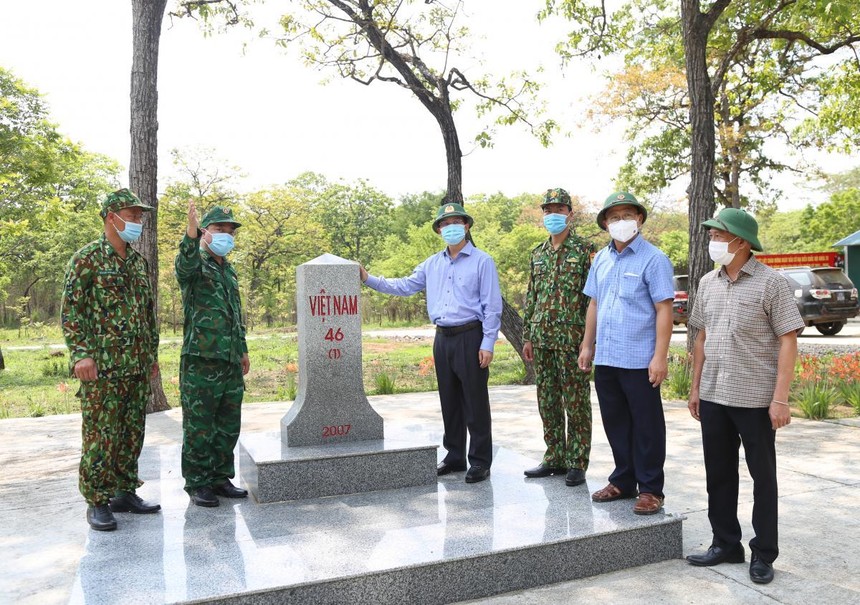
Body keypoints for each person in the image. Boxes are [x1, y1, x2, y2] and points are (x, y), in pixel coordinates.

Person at [686, 208, 803, 585]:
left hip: (755, 398)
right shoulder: (708, 282)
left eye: (719, 235)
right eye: (712, 236)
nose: (713, 242)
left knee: (762, 477)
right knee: (718, 474)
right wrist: (695, 388)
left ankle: (764, 553)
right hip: (715, 394)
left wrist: (780, 398)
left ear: (741, 241)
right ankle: (725, 543)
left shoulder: (772, 283)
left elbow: (788, 339)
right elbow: (701, 336)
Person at [359, 201, 502, 483]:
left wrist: (488, 343)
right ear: (439, 230)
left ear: (467, 226)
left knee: (475, 402)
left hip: (471, 336)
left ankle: (480, 461)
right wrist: (368, 279)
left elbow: (492, 306)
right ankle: (455, 456)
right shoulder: (432, 264)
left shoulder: (482, 261)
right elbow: (404, 285)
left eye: (456, 223)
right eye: (445, 225)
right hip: (443, 337)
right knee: (449, 401)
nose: (451, 228)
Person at [61, 188, 161, 531]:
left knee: (132, 432)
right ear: (110, 217)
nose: (137, 222)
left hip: (135, 365)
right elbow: (70, 309)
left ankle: (123, 491)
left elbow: (147, 314)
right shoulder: (87, 259)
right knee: (101, 436)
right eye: (132, 216)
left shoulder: (137, 262)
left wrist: (151, 355)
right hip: (101, 369)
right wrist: (81, 353)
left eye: (139, 217)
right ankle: (97, 500)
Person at [577, 191, 674, 515]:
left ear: (640, 219)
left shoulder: (654, 259)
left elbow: (663, 309)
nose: (621, 222)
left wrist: (659, 356)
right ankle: (623, 480)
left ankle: (650, 489)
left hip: (639, 359)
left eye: (627, 215)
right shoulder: (601, 259)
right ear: (605, 222)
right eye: (614, 217)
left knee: (647, 426)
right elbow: (594, 303)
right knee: (616, 423)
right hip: (607, 357)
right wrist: (587, 345)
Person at [175, 201, 250, 507]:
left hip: (230, 360)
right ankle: (198, 482)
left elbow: (235, 314)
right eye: (220, 229)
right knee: (199, 425)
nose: (226, 235)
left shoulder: (229, 271)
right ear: (205, 232)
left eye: (230, 231)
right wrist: (190, 235)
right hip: (201, 361)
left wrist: (242, 350)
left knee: (228, 422)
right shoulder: (195, 266)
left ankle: (220, 477)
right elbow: (184, 263)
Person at [522, 188, 595, 487]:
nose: (553, 215)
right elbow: (532, 295)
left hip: (572, 339)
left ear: (570, 214)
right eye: (548, 210)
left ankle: (577, 461)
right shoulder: (537, 254)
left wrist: (588, 342)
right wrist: (528, 335)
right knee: (548, 400)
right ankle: (554, 456)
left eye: (559, 210)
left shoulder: (585, 250)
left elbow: (594, 299)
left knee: (576, 401)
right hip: (542, 338)